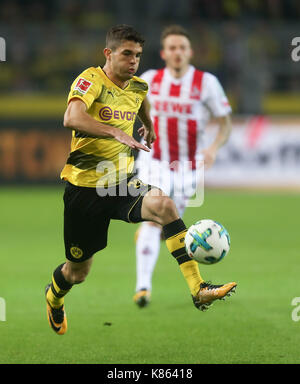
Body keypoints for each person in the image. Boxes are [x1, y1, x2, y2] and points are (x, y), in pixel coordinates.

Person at [45, 24, 236, 335]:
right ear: (108, 53)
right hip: (85, 190)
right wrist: (116, 131)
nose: (133, 61)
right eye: (127, 54)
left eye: (138, 55)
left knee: (164, 205)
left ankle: (197, 288)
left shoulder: (137, 86)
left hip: (121, 182)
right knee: (78, 272)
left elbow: (142, 103)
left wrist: (148, 125)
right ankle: (54, 297)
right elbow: (72, 118)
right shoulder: (90, 80)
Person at [134, 25, 233, 307]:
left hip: (188, 168)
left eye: (182, 48)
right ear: (164, 53)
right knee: (154, 219)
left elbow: (225, 122)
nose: (177, 52)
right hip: (154, 161)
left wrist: (213, 148)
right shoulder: (150, 79)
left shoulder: (207, 83)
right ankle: (143, 287)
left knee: (172, 226)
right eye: (172, 48)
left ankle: (191, 283)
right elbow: (133, 107)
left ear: (190, 52)